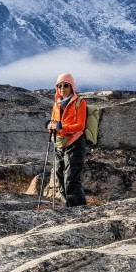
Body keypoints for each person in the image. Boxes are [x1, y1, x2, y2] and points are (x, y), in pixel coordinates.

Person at [46, 73, 88, 207]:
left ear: (71, 87)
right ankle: (67, 208)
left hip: (75, 142)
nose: (62, 88)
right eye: (59, 86)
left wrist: (61, 127)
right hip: (60, 143)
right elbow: (54, 123)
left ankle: (78, 209)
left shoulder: (80, 102)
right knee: (60, 177)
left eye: (66, 85)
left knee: (71, 179)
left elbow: (80, 126)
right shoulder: (56, 104)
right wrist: (50, 126)